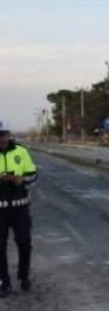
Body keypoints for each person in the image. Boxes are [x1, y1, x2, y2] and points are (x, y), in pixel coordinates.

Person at [0, 123, 37, 296]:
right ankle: (3, 282)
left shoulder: (21, 151)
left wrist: (21, 179)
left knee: (24, 243)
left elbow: (33, 175)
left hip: (20, 208)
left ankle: (24, 276)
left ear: (8, 135)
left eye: (3, 134)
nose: (1, 139)